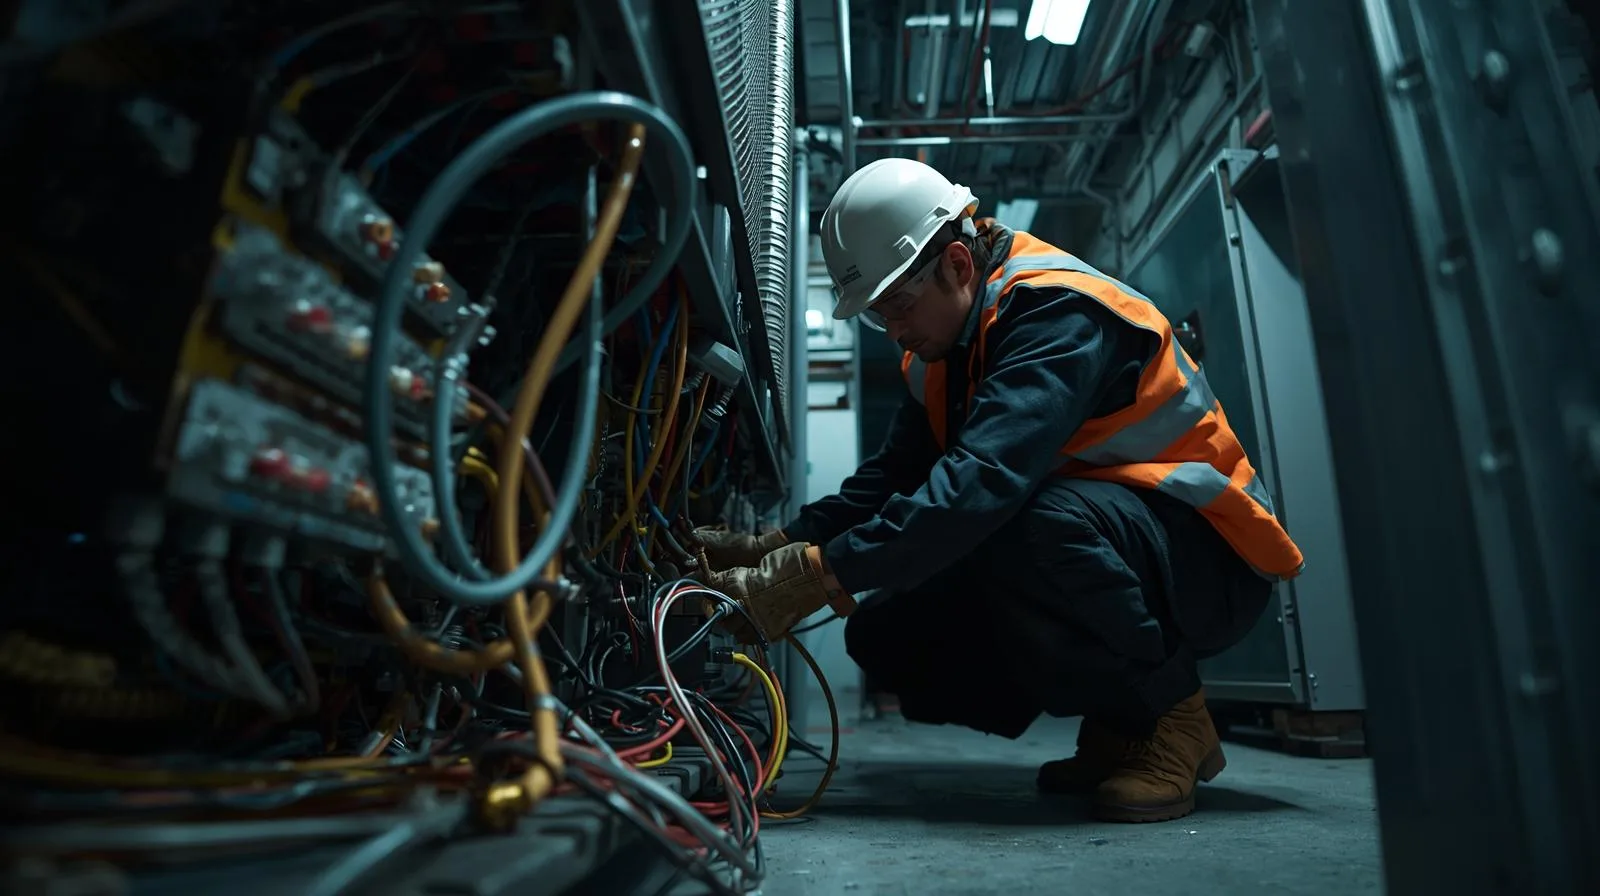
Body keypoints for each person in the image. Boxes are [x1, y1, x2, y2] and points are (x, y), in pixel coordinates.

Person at [693, 158, 1304, 824]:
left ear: (958, 262)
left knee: (1017, 520)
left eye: (897, 304)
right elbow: (891, 480)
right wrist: (774, 545)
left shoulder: (1057, 313)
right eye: (877, 316)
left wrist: (814, 576)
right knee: (886, 631)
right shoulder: (946, 351)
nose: (893, 329)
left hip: (1205, 562)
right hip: (1115, 547)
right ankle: (1119, 722)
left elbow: (983, 483)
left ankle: (1172, 716)